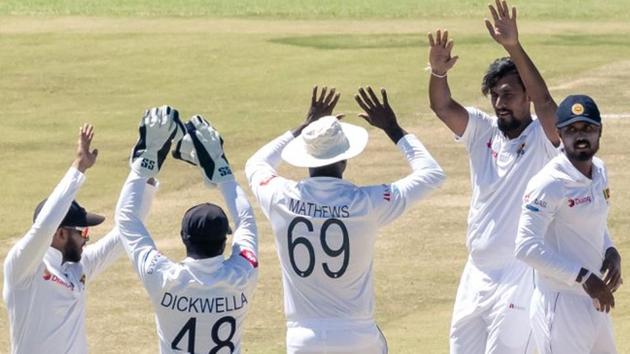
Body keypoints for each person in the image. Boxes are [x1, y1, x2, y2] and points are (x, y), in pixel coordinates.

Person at [245, 86, 445, 353]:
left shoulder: (280, 196)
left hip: (303, 338)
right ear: (346, 159)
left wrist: (303, 127)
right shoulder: (367, 203)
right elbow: (431, 174)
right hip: (358, 335)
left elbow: (255, 164)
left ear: (305, 156)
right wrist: (393, 129)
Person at [427, 1, 562, 352]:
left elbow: (547, 103)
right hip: (476, 271)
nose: (501, 102)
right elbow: (443, 107)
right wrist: (438, 73)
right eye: (495, 95)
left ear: (526, 97)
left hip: (519, 275)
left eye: (509, 94)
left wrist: (513, 47)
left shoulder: (542, 140)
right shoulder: (482, 131)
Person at [115, 106, 258, 354]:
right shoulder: (242, 275)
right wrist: (222, 172)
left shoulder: (163, 277)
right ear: (226, 240)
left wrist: (144, 164)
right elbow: (246, 221)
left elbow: (126, 218)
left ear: (183, 237)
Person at [2, 124, 154, 354]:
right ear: (60, 233)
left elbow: (126, 232)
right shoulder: (23, 269)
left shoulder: (77, 267)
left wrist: (146, 176)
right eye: (81, 232)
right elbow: (44, 226)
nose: (87, 239)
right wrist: (79, 167)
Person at [515, 95, 622, 354]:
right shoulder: (548, 183)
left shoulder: (599, 171)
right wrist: (583, 276)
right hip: (560, 305)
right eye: (571, 130)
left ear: (599, 131)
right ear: (560, 135)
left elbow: (596, 222)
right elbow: (525, 247)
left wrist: (610, 250)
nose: (580, 136)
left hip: (596, 302)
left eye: (587, 128)